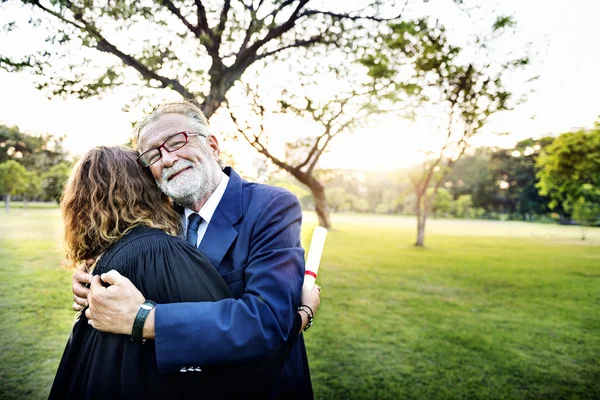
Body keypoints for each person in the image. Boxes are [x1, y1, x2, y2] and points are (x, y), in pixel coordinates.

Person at [72, 100, 317, 398]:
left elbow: (268, 321)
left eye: (176, 142)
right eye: (153, 155)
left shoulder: (271, 206)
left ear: (213, 145)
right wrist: (91, 278)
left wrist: (143, 320)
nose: (168, 159)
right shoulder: (159, 225)